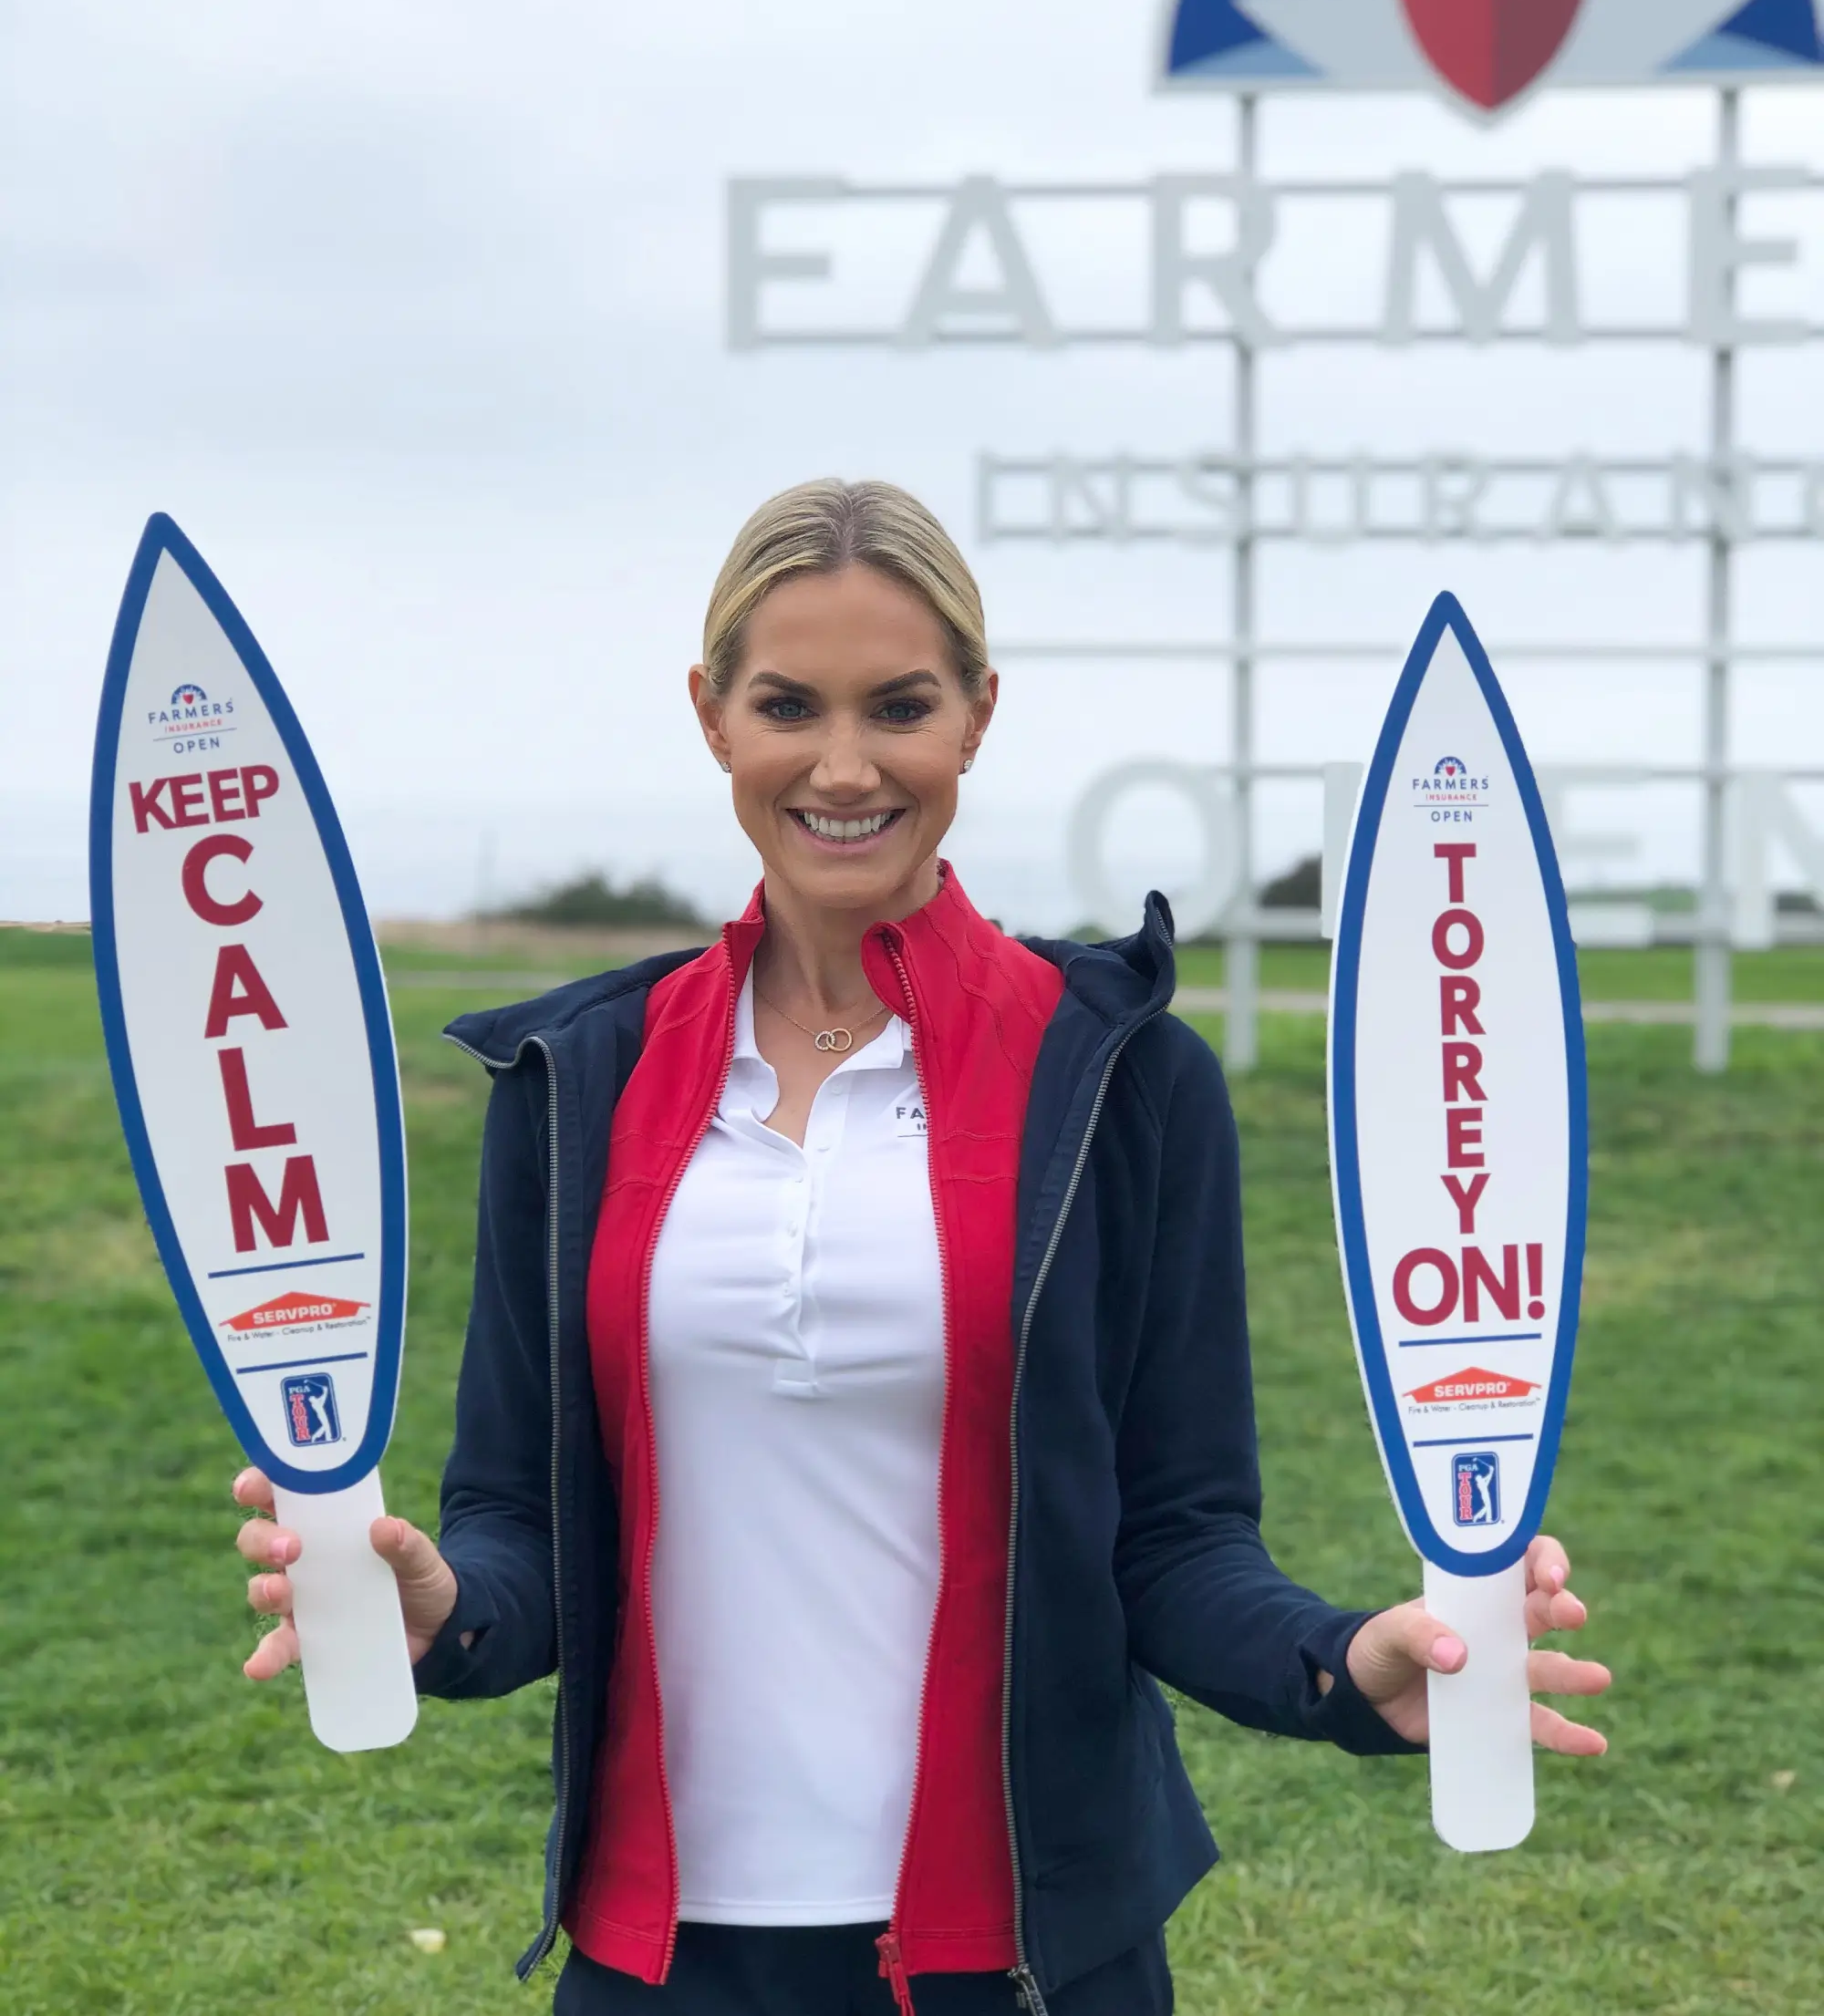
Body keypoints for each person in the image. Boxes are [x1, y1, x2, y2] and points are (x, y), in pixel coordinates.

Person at [232, 479, 1610, 2015]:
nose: (841, 766)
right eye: (785, 706)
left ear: (975, 716)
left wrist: (1348, 1662)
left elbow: (1171, 1534)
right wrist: (439, 1610)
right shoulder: (580, 1076)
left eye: (898, 705)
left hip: (1020, 1953)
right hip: (658, 1957)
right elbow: (520, 1516)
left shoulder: (1122, 1076)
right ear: (711, 718)